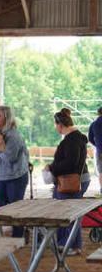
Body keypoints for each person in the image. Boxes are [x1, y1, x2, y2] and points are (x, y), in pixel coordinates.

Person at [44, 108, 88, 256]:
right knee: (70, 214)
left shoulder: (71, 139)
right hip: (72, 180)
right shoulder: (75, 138)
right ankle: (72, 245)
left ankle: (68, 244)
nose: (55, 128)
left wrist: (52, 167)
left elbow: (70, 162)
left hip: (69, 181)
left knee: (66, 215)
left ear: (60, 124)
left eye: (55, 125)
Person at [0, 106, 29, 238]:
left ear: (7, 118)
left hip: (16, 176)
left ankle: (18, 236)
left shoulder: (13, 135)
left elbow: (9, 158)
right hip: (2, 175)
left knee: (15, 208)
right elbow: (1, 155)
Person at [88, 107, 102, 195]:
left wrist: (97, 145)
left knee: (101, 171)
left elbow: (90, 138)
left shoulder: (94, 124)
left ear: (98, 113)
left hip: (100, 150)